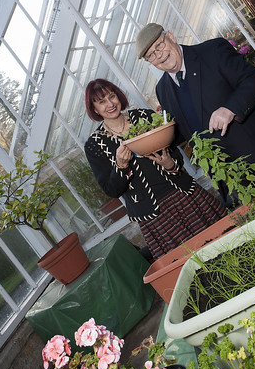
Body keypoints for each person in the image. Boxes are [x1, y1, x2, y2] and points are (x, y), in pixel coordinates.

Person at [136, 23, 255, 196]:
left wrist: (229, 109)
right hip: (233, 180)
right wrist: (157, 136)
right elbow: (184, 132)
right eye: (151, 55)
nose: (159, 55)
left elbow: (254, 79)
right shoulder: (162, 90)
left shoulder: (212, 51)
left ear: (171, 36)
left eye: (159, 45)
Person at [84, 79, 227, 260]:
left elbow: (174, 152)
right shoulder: (95, 145)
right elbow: (111, 189)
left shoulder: (145, 117)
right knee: (189, 264)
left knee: (223, 239)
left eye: (112, 96)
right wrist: (120, 166)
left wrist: (170, 164)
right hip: (153, 215)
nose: (110, 104)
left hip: (183, 194)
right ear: (94, 109)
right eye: (101, 101)